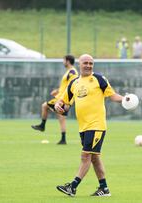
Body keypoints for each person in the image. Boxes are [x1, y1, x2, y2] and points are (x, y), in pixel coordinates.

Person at [54, 54, 124, 197]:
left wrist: (125, 99)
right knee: (94, 158)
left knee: (85, 156)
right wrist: (58, 106)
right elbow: (65, 103)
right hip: (83, 127)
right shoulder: (74, 83)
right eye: (85, 63)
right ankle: (104, 188)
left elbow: (112, 95)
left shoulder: (99, 78)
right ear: (80, 64)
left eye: (91, 63)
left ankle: (72, 187)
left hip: (97, 125)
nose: (88, 65)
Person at [31, 55, 78, 145]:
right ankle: (63, 139)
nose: (63, 62)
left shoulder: (72, 72)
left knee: (44, 106)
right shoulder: (69, 71)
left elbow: (73, 85)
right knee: (61, 118)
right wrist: (57, 91)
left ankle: (42, 125)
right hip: (61, 97)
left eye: (63, 60)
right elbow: (66, 85)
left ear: (68, 61)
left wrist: (68, 99)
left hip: (62, 99)